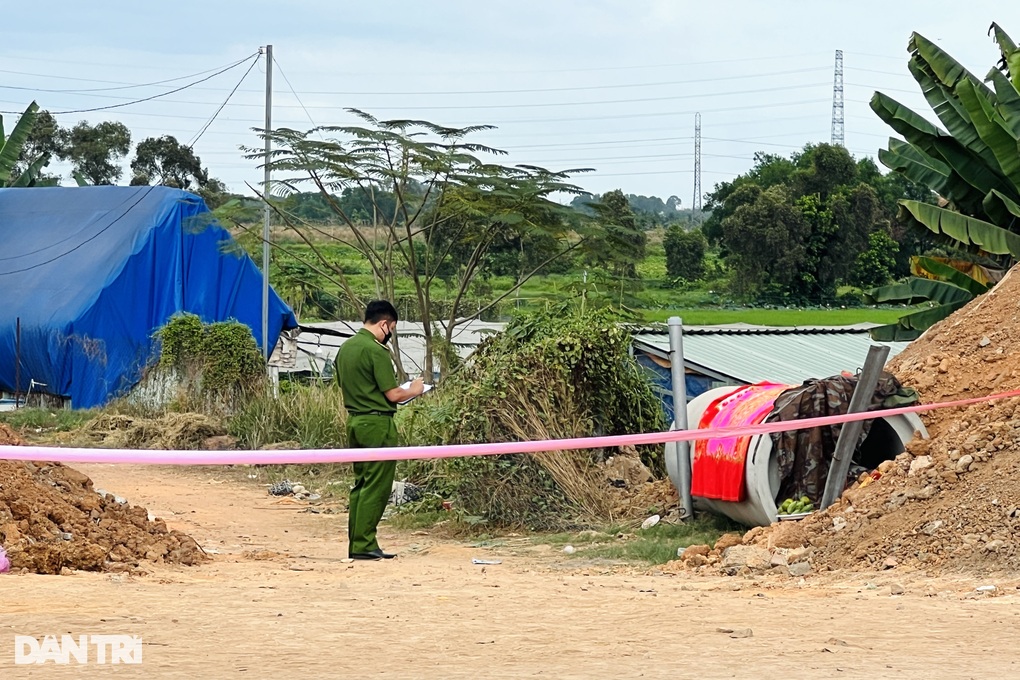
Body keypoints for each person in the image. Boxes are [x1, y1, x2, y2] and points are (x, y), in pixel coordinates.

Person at [334, 300, 424, 560]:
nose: (390, 333)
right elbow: (394, 394)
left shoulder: (346, 348)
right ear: (385, 324)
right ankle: (365, 544)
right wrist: (415, 390)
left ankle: (357, 543)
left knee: (361, 483)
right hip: (377, 424)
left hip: (354, 421)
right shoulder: (375, 351)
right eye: (391, 328)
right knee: (377, 484)